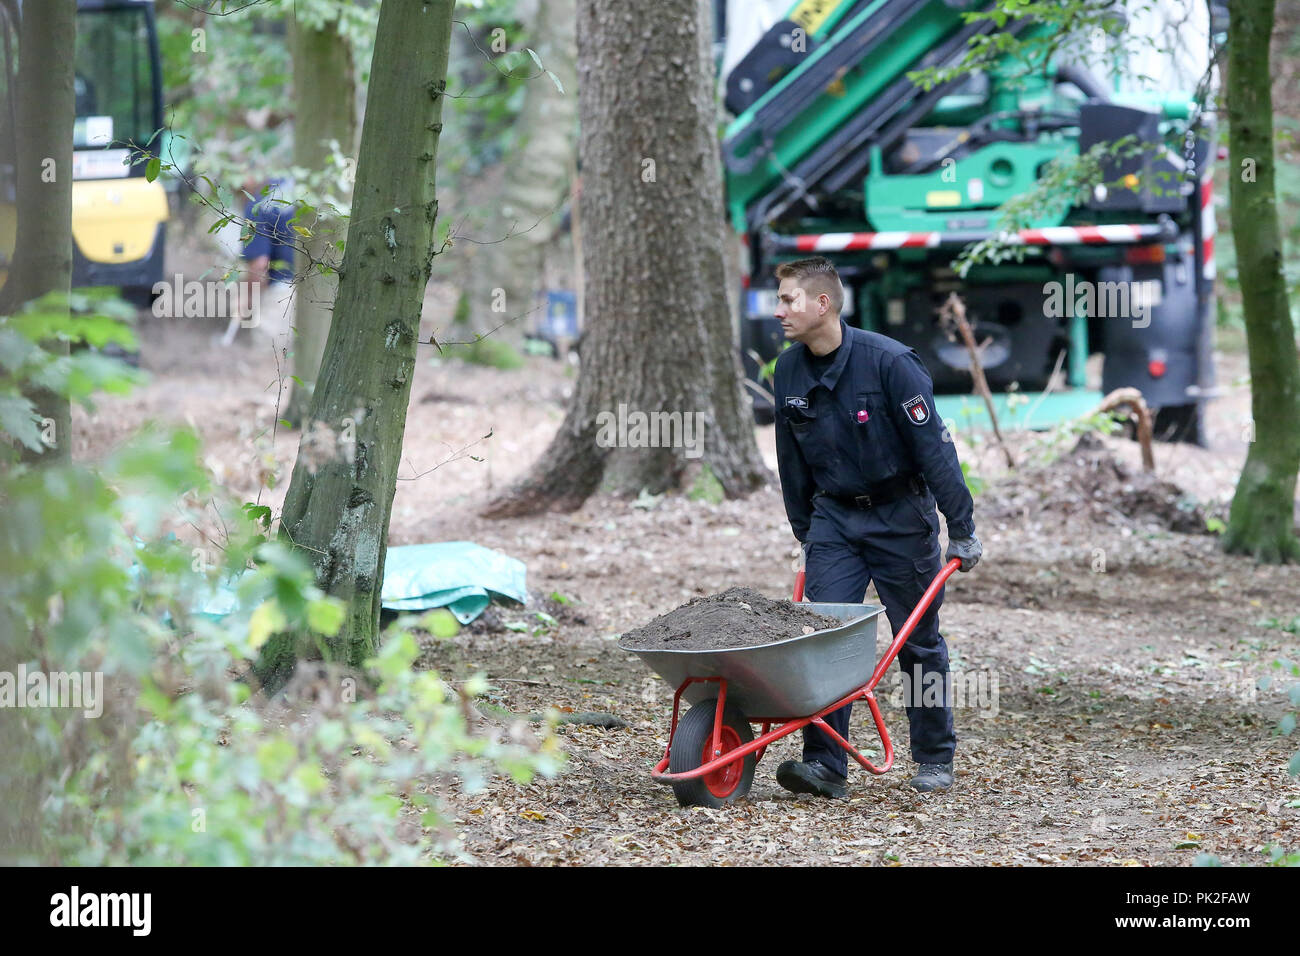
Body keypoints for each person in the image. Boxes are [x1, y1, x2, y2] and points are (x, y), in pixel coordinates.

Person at [770, 256, 982, 797]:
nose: (779, 311)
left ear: (823, 303)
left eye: (788, 299)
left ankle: (934, 758)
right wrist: (805, 531)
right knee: (824, 639)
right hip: (834, 519)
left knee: (919, 642)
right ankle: (825, 765)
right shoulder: (790, 370)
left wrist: (960, 524)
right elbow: (791, 458)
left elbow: (934, 449)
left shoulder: (890, 363)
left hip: (899, 518)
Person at [225, 176, 295, 349]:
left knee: (267, 351)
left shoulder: (256, 206)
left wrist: (246, 295)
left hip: (283, 294)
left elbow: (259, 264)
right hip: (316, 288)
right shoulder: (292, 188)